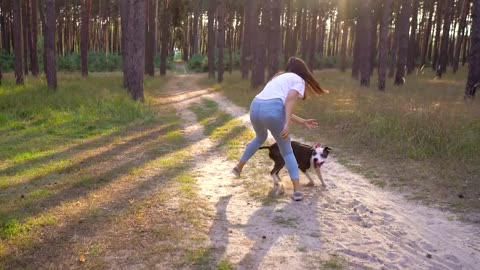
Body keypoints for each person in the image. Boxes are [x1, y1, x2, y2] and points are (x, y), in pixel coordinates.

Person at [231, 57, 327, 201]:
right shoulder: (298, 80)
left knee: (260, 137)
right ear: (303, 70)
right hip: (272, 109)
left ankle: (238, 167)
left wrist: (302, 122)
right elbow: (288, 101)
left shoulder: (279, 78)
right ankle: (297, 190)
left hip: (255, 107)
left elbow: (277, 104)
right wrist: (287, 124)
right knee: (287, 151)